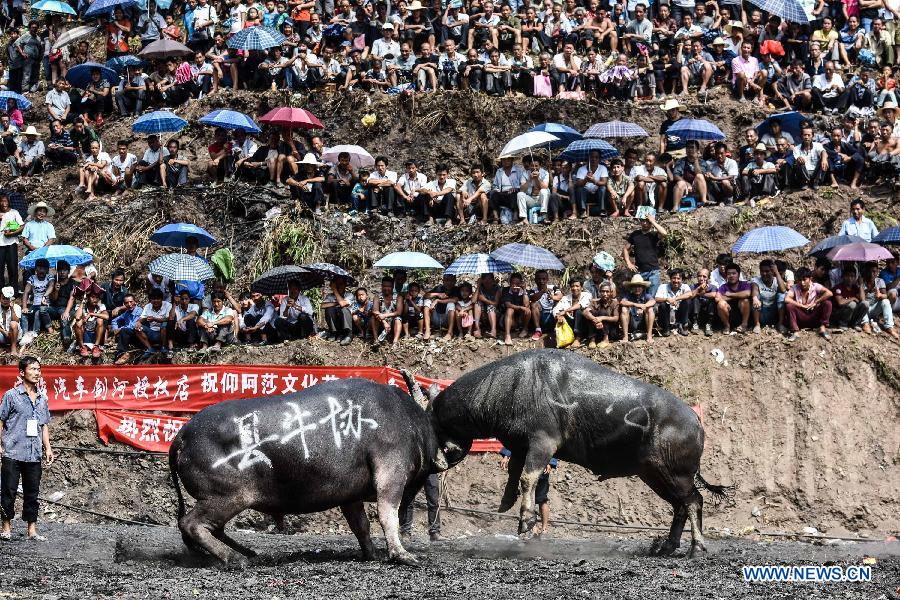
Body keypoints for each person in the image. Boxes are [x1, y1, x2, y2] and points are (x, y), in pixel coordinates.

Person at [0, 356, 54, 542]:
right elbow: (1, 420)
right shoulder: (11, 396)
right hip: (13, 452)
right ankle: (6, 527)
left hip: (33, 453)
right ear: (22, 373)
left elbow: (44, 425)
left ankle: (32, 529)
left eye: (38, 369)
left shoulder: (42, 398)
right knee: (9, 491)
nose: (36, 372)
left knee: (33, 492)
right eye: (32, 369)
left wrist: (47, 448)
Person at [500, 448, 556, 536]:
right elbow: (515, 440)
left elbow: (551, 444)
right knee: (528, 499)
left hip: (541, 469)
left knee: (542, 500)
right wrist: (506, 455)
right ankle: (533, 528)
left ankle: (544, 529)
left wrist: (549, 463)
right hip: (527, 469)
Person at [623, 212, 667, 297]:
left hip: (653, 271)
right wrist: (628, 263)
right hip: (639, 271)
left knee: (652, 297)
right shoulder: (635, 234)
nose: (645, 223)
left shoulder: (654, 235)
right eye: (643, 221)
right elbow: (625, 248)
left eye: (648, 221)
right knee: (638, 296)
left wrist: (653, 221)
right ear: (641, 221)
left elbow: (664, 233)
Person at [785, 267, 834, 340]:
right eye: (800, 280)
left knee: (828, 303)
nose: (802, 283)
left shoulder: (815, 286)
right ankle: (795, 331)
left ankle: (822, 327)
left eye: (804, 280)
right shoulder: (795, 287)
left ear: (810, 279)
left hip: (814, 317)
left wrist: (815, 303)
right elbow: (787, 299)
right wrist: (801, 306)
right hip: (800, 318)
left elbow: (829, 293)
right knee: (789, 306)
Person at [751, 259, 789, 333]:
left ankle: (780, 324)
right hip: (762, 312)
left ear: (772, 271)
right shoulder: (756, 280)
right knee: (756, 298)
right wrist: (755, 298)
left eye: (767, 271)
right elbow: (754, 289)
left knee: (781, 295)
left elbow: (783, 290)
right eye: (762, 271)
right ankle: (757, 324)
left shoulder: (776, 280)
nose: (764, 273)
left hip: (774, 313)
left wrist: (777, 273)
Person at [552, 279, 592, 347]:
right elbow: (556, 309)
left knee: (578, 311)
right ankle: (568, 338)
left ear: (581, 287)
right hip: (571, 323)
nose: (575, 288)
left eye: (577, 286)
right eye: (573, 286)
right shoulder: (566, 298)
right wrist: (558, 316)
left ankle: (578, 338)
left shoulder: (587, 295)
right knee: (561, 315)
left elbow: (581, 305)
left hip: (584, 324)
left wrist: (565, 311)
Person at [716, 263, 751, 335]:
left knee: (745, 300)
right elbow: (717, 298)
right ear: (726, 276)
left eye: (734, 273)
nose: (731, 276)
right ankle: (727, 326)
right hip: (729, 314)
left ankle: (744, 325)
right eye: (729, 274)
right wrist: (739, 295)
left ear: (738, 274)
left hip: (742, 314)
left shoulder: (745, 284)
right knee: (721, 304)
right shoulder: (723, 287)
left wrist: (730, 294)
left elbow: (747, 293)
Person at [655, 268, 692, 336]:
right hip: (667, 315)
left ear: (682, 279)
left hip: (679, 314)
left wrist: (675, 299)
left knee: (687, 301)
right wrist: (667, 299)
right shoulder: (663, 287)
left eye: (678, 278)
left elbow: (689, 294)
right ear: (670, 278)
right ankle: (666, 328)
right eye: (674, 278)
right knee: (663, 304)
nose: (676, 281)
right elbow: (657, 299)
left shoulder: (685, 286)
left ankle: (683, 326)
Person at [620, 274, 656, 342]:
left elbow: (653, 301)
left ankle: (649, 335)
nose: (637, 289)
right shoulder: (629, 296)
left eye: (639, 286)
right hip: (632, 323)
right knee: (624, 309)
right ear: (631, 288)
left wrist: (644, 306)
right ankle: (625, 336)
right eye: (635, 286)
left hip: (644, 323)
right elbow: (622, 302)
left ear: (643, 287)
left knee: (650, 309)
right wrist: (636, 305)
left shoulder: (646, 295)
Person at [583, 281, 620, 347]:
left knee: (603, 312)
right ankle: (592, 339)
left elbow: (616, 318)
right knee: (591, 313)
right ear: (600, 292)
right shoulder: (595, 302)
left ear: (611, 292)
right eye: (603, 291)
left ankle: (606, 339)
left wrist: (602, 318)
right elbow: (585, 312)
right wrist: (595, 320)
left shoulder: (614, 303)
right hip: (597, 329)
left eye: (607, 291)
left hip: (611, 331)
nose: (605, 294)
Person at [0, 194, 23, 295]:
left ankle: (14, 291)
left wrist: (12, 233)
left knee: (13, 268)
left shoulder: (14, 212)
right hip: (0, 244)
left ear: (9, 202)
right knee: (0, 268)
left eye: (6, 201)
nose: (4, 203)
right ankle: (1, 291)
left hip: (11, 243)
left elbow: (22, 226)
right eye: (1, 201)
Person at [321, 278, 353, 345]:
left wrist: (335, 290)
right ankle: (334, 333)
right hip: (336, 323)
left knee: (344, 309)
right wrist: (335, 303)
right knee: (329, 309)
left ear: (345, 285)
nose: (339, 286)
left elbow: (342, 304)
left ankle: (348, 335)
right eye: (337, 284)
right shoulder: (330, 296)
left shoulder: (349, 295)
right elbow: (322, 306)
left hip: (347, 323)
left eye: (341, 284)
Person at [0, 287, 22, 356]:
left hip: (15, 335)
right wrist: (4, 332)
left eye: (7, 299)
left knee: (13, 323)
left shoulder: (16, 307)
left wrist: (12, 309)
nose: (5, 301)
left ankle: (14, 348)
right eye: (3, 299)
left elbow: (16, 321)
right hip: (2, 334)